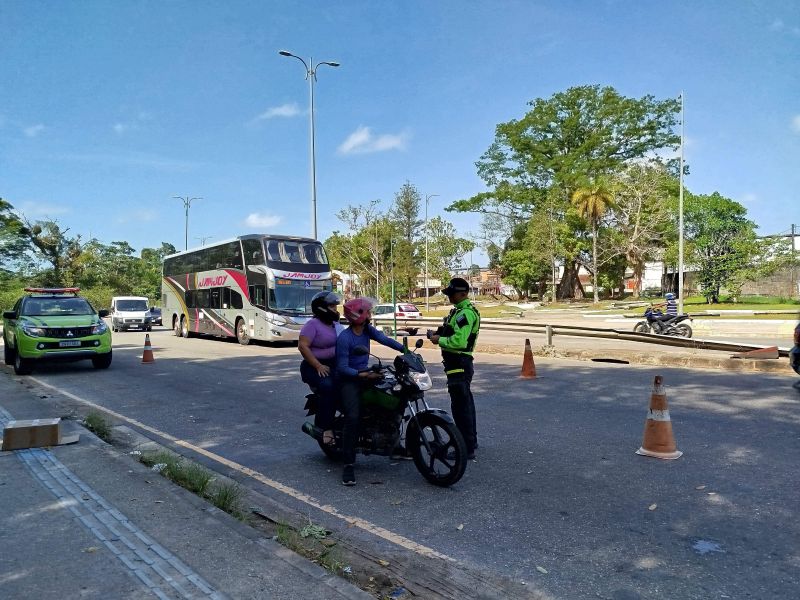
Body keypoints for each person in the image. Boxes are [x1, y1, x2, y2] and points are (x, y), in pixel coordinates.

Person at [336, 297, 405, 486]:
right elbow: (342, 367)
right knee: (353, 417)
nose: (370, 314)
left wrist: (405, 350)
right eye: (367, 312)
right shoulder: (345, 338)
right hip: (349, 380)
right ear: (358, 315)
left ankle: (395, 444)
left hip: (367, 375)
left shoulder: (367, 330)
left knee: (395, 398)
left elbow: (385, 339)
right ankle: (348, 464)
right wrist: (362, 375)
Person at [429, 277, 481, 460]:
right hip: (455, 364)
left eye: (452, 294)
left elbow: (459, 341)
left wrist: (438, 340)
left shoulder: (465, 314)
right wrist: (439, 332)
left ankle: (466, 448)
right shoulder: (457, 312)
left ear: (463, 294)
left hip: (459, 363)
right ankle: (470, 443)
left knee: (461, 408)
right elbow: (452, 332)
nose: (449, 297)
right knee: (465, 404)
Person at [298, 291, 342, 447]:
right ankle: (324, 428)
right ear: (321, 308)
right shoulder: (312, 325)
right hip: (313, 365)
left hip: (333, 363)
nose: (335, 309)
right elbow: (303, 346)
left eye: (335, 306)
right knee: (328, 387)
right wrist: (318, 365)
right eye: (331, 306)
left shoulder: (335, 325)